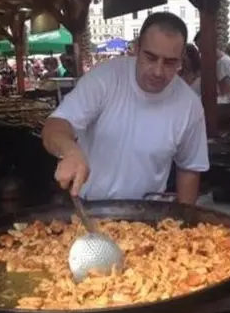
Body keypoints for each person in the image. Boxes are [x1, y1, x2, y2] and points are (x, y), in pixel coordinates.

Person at [41, 12, 209, 204]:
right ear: (136, 49)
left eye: (170, 62)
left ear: (181, 60)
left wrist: (185, 224)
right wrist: (70, 151)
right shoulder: (104, 78)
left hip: (148, 213)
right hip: (90, 208)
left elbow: (189, 168)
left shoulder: (189, 105)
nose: (158, 71)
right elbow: (54, 125)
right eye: (150, 57)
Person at [194, 31, 230, 104]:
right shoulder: (217, 62)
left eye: (202, 47)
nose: (200, 51)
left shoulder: (223, 63)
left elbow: (228, 96)